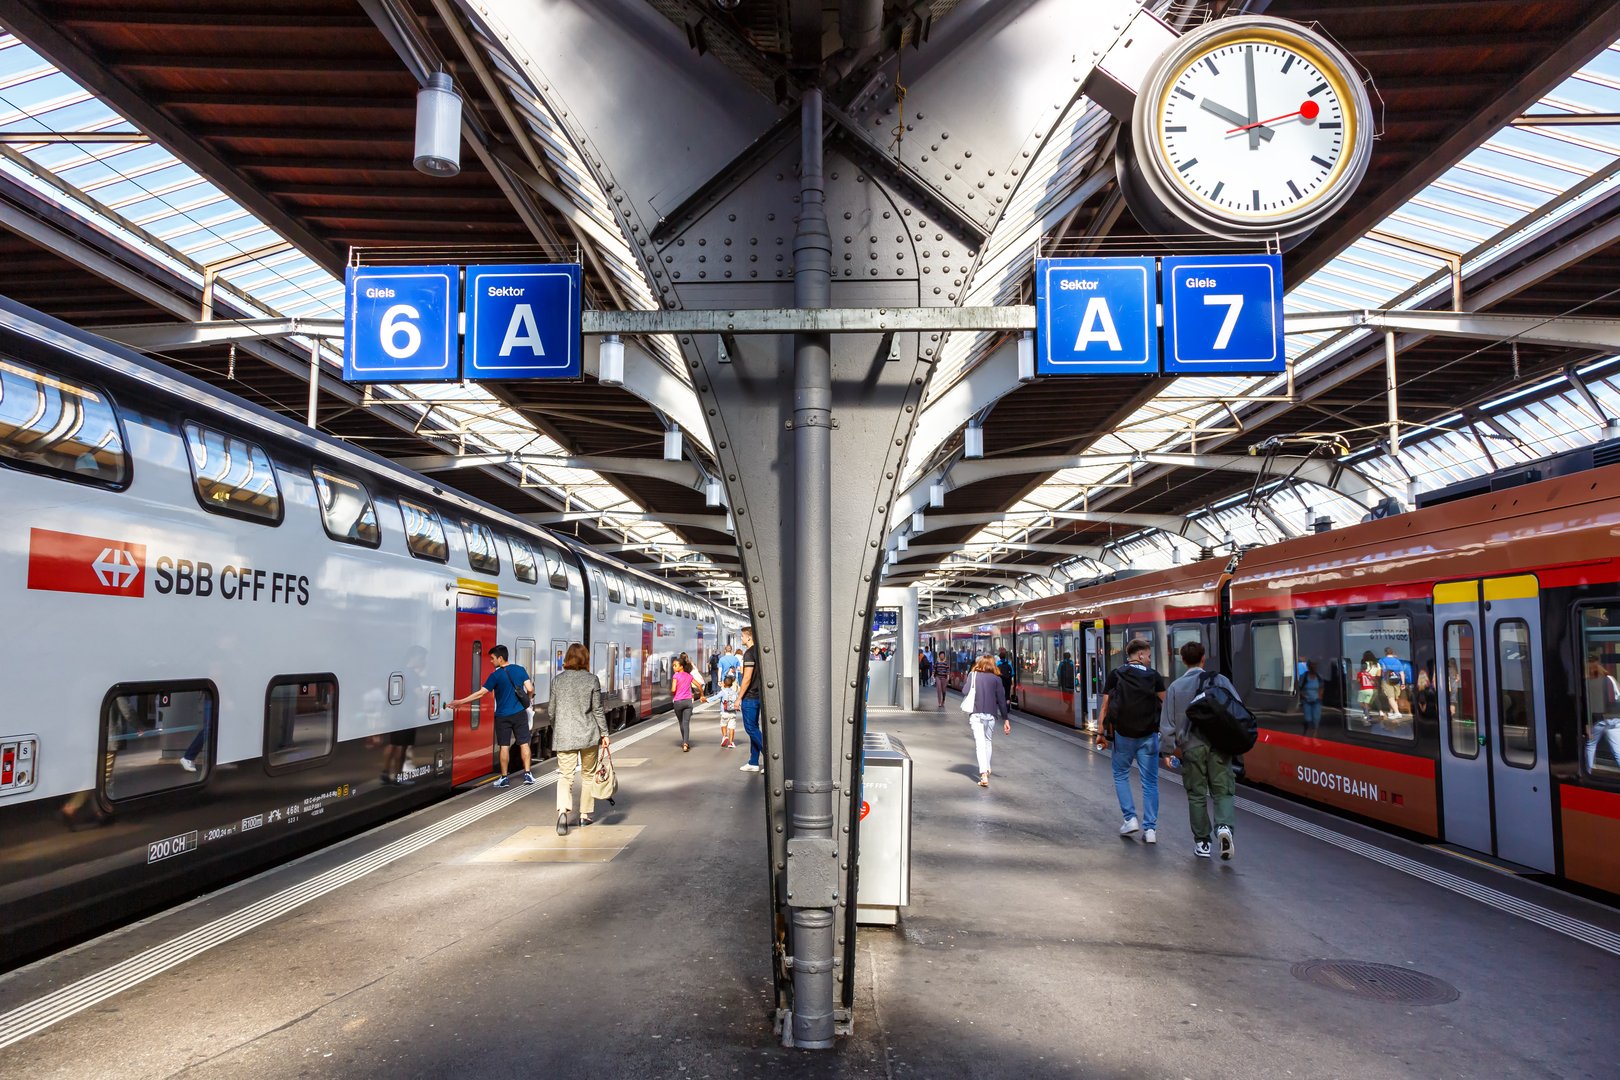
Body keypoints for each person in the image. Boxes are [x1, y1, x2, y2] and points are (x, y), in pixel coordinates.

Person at [1160, 640, 1239, 860]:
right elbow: (1237, 707)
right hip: (1219, 745)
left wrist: (1167, 752)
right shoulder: (1220, 680)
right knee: (1222, 791)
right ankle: (1224, 828)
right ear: (1203, 658)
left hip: (1191, 747)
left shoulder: (1175, 687)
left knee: (1196, 795)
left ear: (1183, 660)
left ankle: (1203, 843)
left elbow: (1166, 724)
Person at [1099, 637, 1166, 843]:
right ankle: (1151, 829)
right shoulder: (1154, 677)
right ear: (1140, 655)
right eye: (1148, 656)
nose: (1149, 660)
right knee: (1150, 782)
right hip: (1148, 736)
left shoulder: (1115, 675)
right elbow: (1165, 706)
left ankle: (1130, 819)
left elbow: (1106, 706)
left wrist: (1100, 732)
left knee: (1120, 775)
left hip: (1124, 735)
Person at [446, 644, 536, 788]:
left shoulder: (495, 675)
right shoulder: (519, 670)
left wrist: (460, 702)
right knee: (524, 743)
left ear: (500, 658)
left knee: (504, 746)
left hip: (502, 716)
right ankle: (528, 774)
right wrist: (529, 699)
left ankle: (504, 778)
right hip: (519, 714)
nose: (491, 661)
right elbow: (530, 688)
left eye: (493, 658)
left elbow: (481, 693)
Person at [548, 642, 610, 835]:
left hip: (565, 735)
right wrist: (605, 733)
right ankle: (584, 815)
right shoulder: (592, 680)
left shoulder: (558, 680)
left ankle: (562, 812)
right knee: (588, 774)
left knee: (565, 775)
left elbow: (551, 710)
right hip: (588, 734)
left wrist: (557, 726)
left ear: (567, 658)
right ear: (585, 659)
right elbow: (598, 710)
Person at [964, 655, 1010, 787]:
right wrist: (1006, 719)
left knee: (980, 744)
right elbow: (1001, 701)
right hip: (991, 715)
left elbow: (964, 690)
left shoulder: (973, 675)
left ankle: (984, 774)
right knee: (988, 741)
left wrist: (970, 680)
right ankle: (987, 767)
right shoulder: (996, 679)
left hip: (976, 714)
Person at [1584, 654, 1620, 773]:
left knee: (1591, 745)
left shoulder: (1587, 682)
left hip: (1598, 719)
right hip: (1614, 717)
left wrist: (1587, 724)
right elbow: (1617, 696)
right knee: (1618, 750)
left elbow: (1587, 705)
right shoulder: (1610, 678)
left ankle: (1587, 771)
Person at [737, 626, 765, 773]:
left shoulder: (748, 654)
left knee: (751, 728)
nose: (741, 639)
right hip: (759, 695)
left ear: (748, 637)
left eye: (742, 636)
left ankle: (769, 759)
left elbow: (747, 678)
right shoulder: (759, 651)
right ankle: (753, 762)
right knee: (754, 728)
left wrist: (738, 698)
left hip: (750, 697)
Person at [671, 656, 703, 752]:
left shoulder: (675, 676)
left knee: (681, 722)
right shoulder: (689, 676)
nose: (673, 667)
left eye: (675, 665)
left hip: (678, 702)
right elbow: (699, 685)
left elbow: (673, 689)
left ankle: (684, 741)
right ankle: (685, 743)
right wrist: (701, 695)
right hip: (688, 702)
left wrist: (674, 691)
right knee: (686, 723)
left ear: (681, 666)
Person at [1380, 646, 1410, 723]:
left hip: (1387, 681)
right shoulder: (1397, 661)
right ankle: (1392, 712)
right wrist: (1403, 683)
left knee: (1390, 698)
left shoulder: (1382, 660)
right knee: (1394, 698)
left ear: (1385, 653)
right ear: (1392, 652)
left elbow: (1380, 670)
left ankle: (1397, 713)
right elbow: (1402, 673)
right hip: (1396, 681)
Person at [1297, 658, 1323, 735]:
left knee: (1316, 719)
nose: (1313, 668)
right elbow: (1299, 687)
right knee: (1308, 719)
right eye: (1312, 666)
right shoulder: (1304, 676)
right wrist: (1303, 695)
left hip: (1316, 701)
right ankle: (1306, 731)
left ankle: (1314, 735)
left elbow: (1322, 687)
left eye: (1315, 666)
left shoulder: (1319, 677)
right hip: (1306, 701)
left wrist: (1320, 695)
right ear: (1308, 667)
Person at [716, 674, 740, 747]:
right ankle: (731, 743)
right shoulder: (735, 693)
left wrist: (706, 700)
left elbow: (715, 697)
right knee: (732, 727)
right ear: (732, 684)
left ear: (723, 683)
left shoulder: (723, 692)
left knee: (723, 724)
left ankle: (724, 736)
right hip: (732, 713)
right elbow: (738, 701)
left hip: (724, 712)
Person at [1356, 651, 1380, 724]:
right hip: (1371, 689)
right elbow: (1378, 675)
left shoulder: (1360, 673)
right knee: (1370, 702)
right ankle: (1368, 713)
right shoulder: (1376, 665)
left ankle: (1367, 715)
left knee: (1361, 702)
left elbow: (1358, 681)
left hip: (1363, 689)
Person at [1057, 651, 1076, 722]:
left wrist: (1059, 681)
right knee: (1070, 695)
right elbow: (1075, 672)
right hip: (1071, 684)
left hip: (1064, 683)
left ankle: (1069, 706)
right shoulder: (1072, 663)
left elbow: (1058, 673)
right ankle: (1070, 706)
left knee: (1065, 698)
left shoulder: (1061, 664)